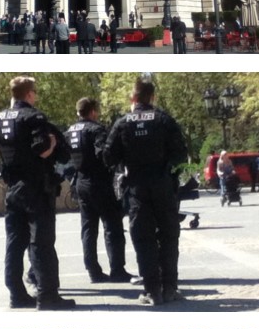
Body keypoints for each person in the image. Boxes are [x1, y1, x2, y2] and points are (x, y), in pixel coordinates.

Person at [0, 76, 75, 310]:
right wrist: (52, 144)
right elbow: (42, 148)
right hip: (36, 187)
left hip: (12, 190)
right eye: (35, 92)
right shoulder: (34, 117)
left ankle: (16, 294)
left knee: (14, 243)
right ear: (29, 94)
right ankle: (48, 295)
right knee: (41, 242)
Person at [104, 78, 188, 305]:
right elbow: (181, 153)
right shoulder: (163, 120)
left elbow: (108, 156)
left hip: (136, 187)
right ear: (152, 98)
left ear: (133, 98)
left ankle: (152, 291)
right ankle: (170, 287)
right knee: (169, 236)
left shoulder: (122, 123)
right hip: (162, 183)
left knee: (143, 238)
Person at [66, 97, 131, 283]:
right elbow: (104, 154)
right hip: (99, 183)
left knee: (88, 228)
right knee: (112, 226)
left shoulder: (70, 131)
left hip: (81, 182)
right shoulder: (96, 129)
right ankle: (117, 269)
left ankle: (93, 271)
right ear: (93, 111)